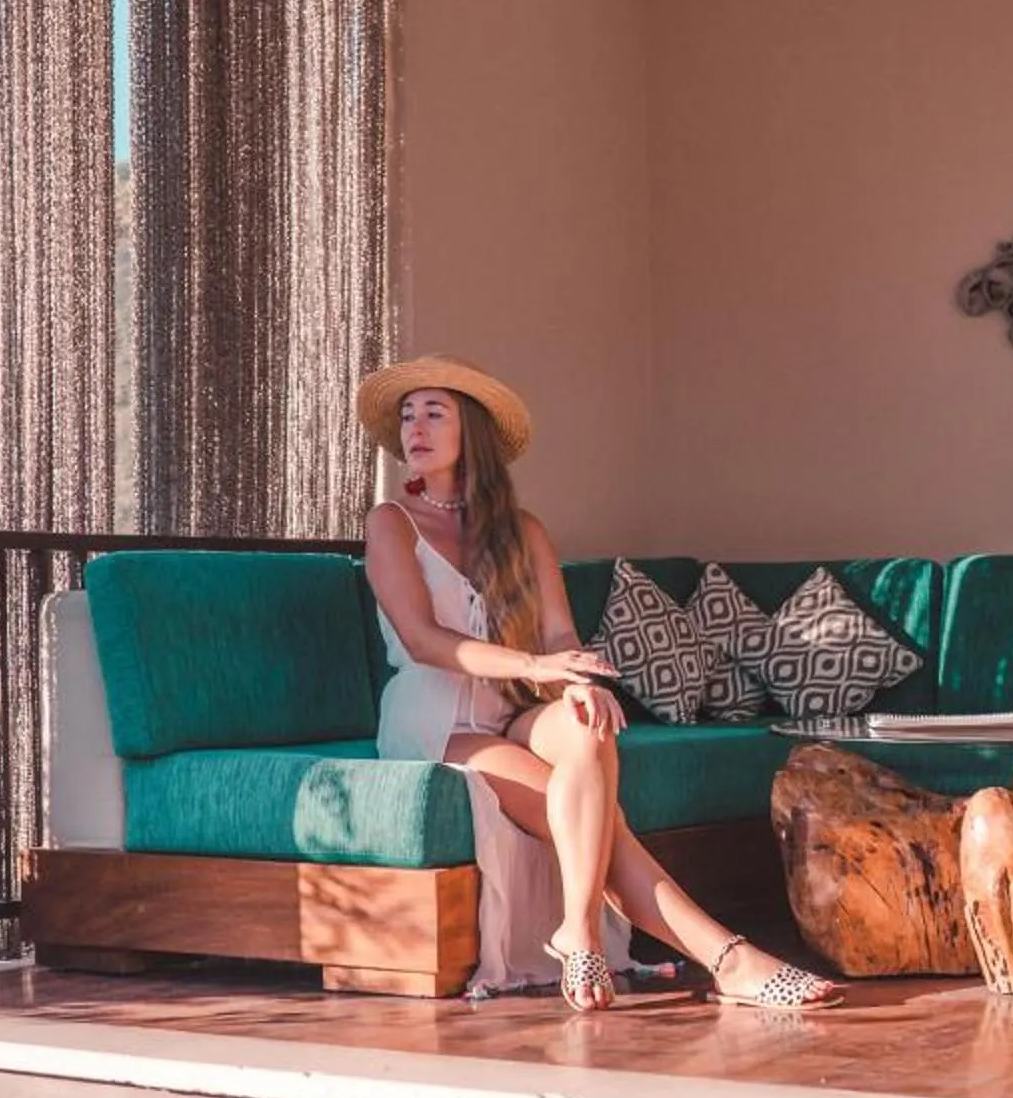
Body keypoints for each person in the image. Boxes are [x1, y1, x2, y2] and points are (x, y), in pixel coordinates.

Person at [358, 354, 839, 1012]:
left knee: (588, 722)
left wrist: (575, 681)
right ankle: (726, 957)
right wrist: (534, 666)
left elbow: (558, 635)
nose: (415, 427)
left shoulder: (522, 532)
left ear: (470, 428)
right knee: (595, 819)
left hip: (511, 708)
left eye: (434, 412)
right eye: (408, 415)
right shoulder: (391, 523)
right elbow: (422, 640)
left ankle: (580, 927)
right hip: (437, 718)